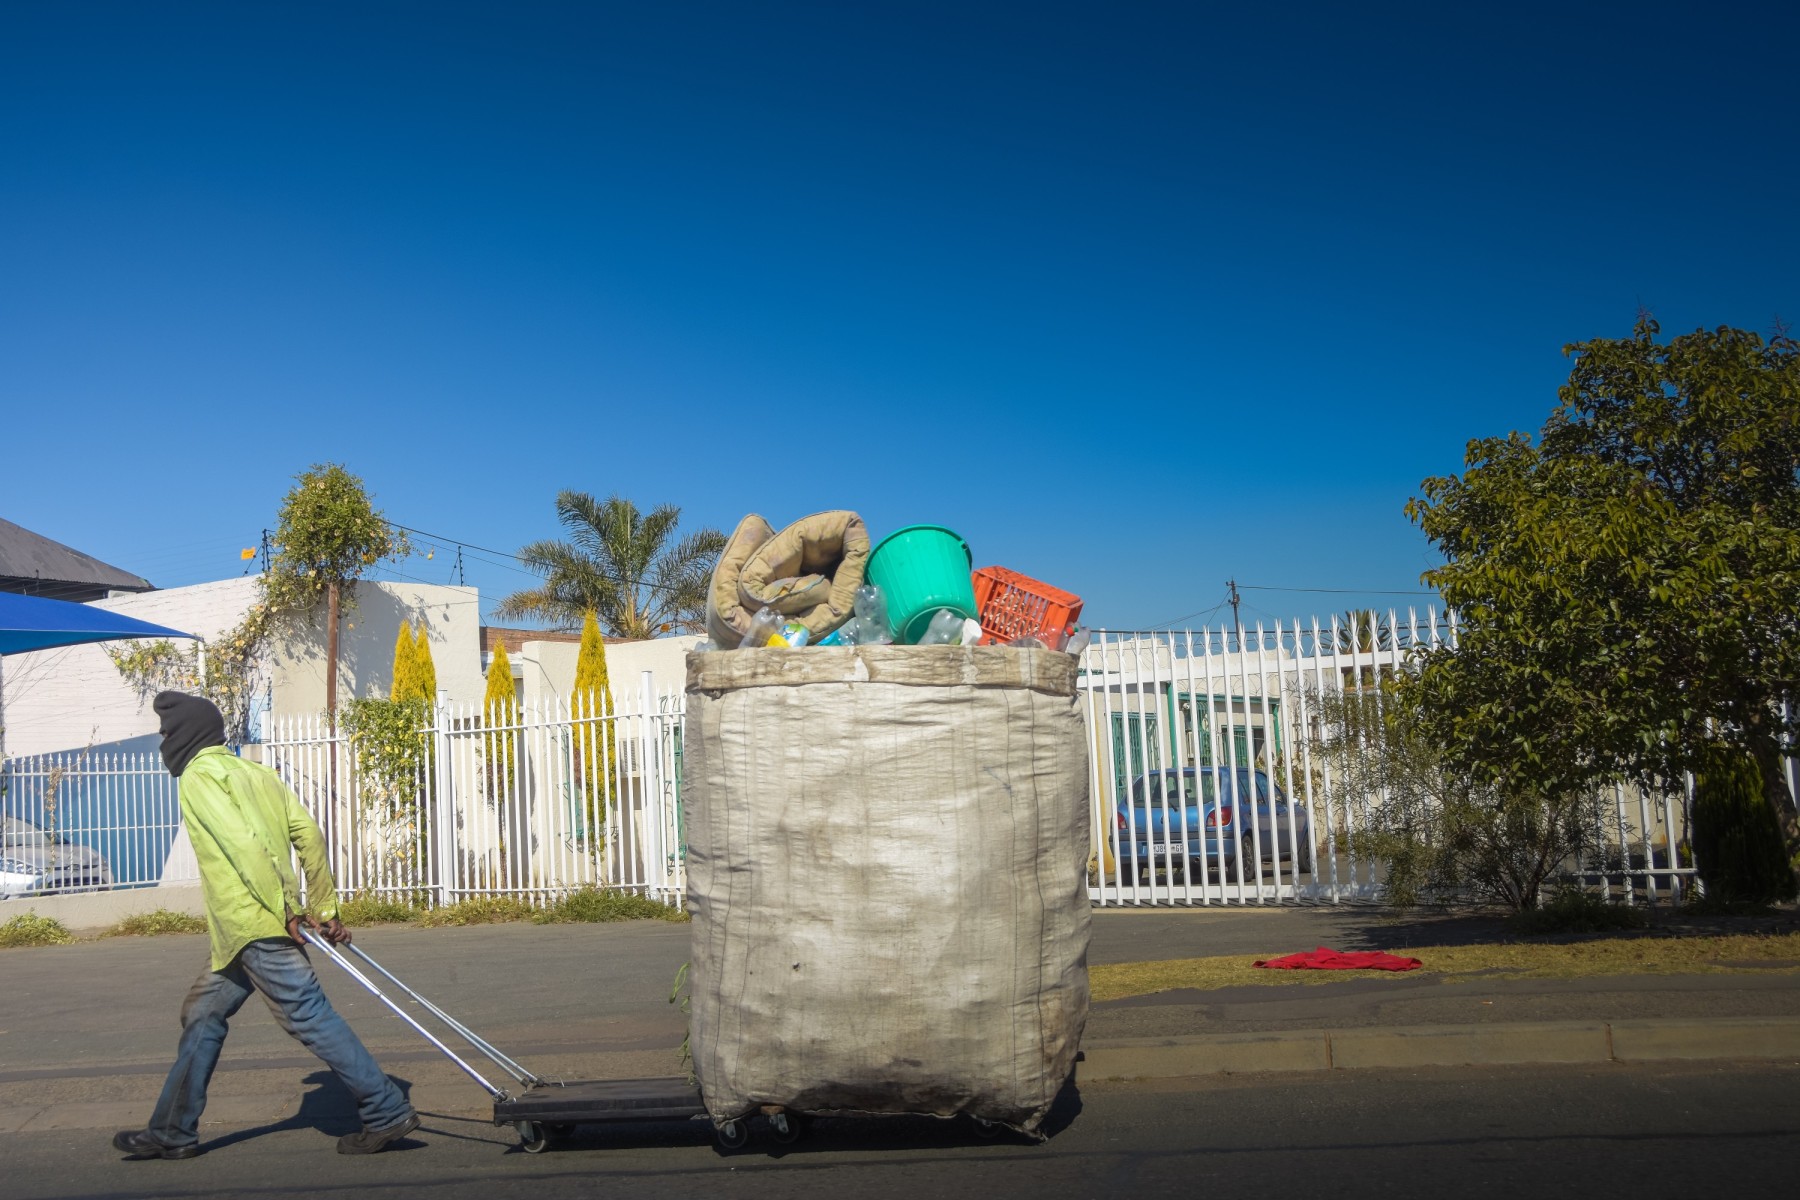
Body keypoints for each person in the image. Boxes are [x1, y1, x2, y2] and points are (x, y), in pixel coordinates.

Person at [113, 691, 420, 1160]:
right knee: (203, 1014)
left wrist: (287, 912)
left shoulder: (199, 776)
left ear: (188, 735)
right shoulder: (257, 773)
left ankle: (385, 1110)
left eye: (168, 732)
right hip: (241, 936)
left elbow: (243, 847)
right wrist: (325, 907)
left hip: (254, 923)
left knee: (309, 1016)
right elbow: (308, 835)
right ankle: (173, 1131)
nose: (163, 740)